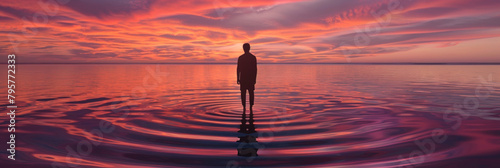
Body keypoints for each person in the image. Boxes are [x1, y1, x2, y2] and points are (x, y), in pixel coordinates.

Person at [237, 43, 257, 114]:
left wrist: (238, 78)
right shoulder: (252, 57)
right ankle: (248, 108)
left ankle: (246, 108)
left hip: (246, 79)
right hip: (248, 79)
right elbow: (255, 70)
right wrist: (254, 79)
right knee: (248, 93)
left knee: (246, 93)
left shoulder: (241, 58)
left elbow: (238, 69)